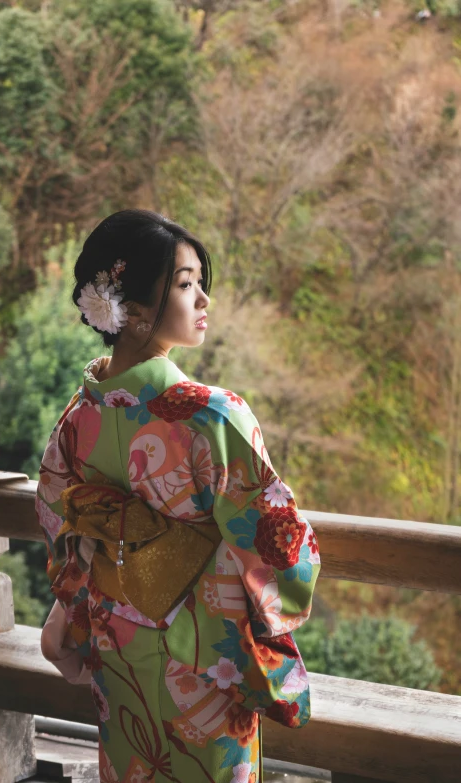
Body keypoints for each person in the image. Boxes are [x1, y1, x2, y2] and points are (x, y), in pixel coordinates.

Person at [35, 209, 321, 783]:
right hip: (204, 664)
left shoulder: (77, 418)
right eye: (186, 284)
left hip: (119, 650)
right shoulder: (213, 416)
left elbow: (55, 519)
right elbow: (276, 543)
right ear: (133, 311)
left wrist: (74, 609)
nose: (204, 298)